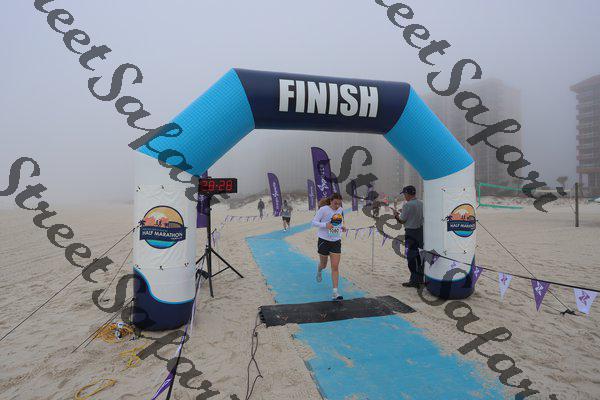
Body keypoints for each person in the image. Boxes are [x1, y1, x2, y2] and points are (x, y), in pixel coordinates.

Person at [312, 193, 347, 300]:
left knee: (335, 267)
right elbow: (313, 222)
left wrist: (342, 227)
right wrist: (325, 225)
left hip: (336, 241)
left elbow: (339, 222)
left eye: (339, 203)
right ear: (331, 201)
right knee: (323, 265)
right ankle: (319, 270)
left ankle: (335, 292)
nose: (337, 206)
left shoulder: (340, 210)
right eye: (335, 203)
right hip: (324, 240)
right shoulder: (323, 210)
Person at [392, 185, 424, 288]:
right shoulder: (421, 203)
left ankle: (414, 280)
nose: (404, 196)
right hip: (421, 232)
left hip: (411, 232)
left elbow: (402, 220)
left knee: (411, 257)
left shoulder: (407, 205)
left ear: (407, 194)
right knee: (419, 256)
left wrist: (396, 215)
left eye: (405, 194)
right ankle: (420, 279)